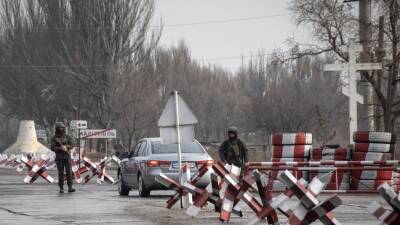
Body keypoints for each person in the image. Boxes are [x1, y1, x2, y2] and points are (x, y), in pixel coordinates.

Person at [50, 122, 75, 193]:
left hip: (67, 157)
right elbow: (52, 147)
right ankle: (61, 188)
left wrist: (66, 147)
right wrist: (60, 148)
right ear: (56, 129)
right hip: (59, 157)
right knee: (60, 173)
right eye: (59, 128)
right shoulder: (54, 138)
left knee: (69, 172)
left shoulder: (67, 137)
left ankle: (70, 187)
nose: (61, 130)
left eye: (62, 128)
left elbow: (72, 144)